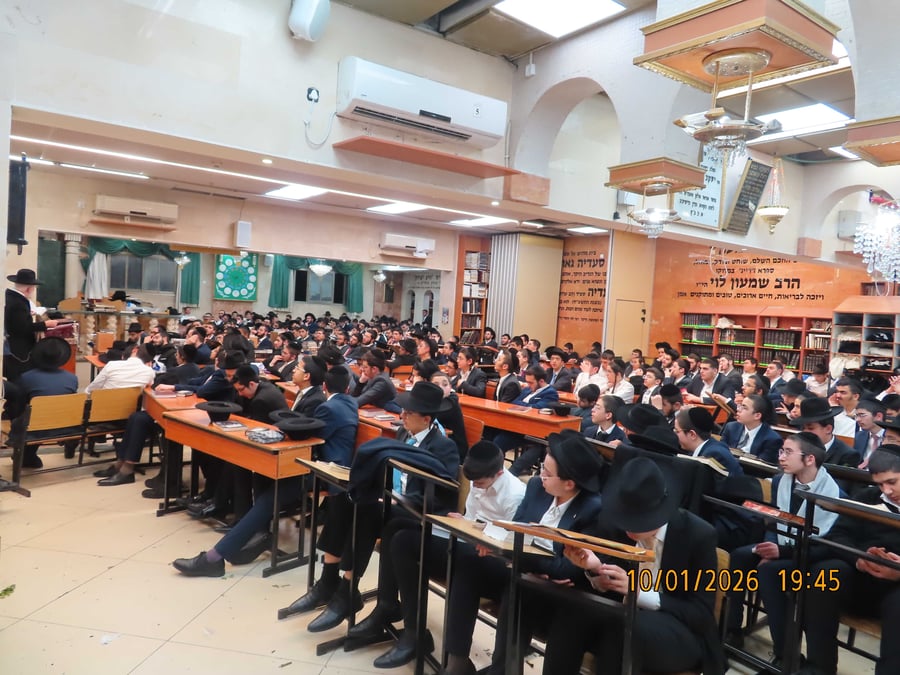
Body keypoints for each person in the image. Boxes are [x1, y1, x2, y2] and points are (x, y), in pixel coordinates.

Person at [348, 441, 526, 669]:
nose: (476, 488)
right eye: (473, 483)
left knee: (408, 542)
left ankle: (428, 643)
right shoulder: (478, 479)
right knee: (395, 528)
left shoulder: (514, 495)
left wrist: (480, 532)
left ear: (499, 473)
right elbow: (471, 517)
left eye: (480, 484)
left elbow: (511, 543)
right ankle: (396, 613)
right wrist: (463, 522)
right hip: (467, 542)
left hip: (489, 558)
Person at [541, 457, 725, 675]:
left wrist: (639, 592)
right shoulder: (619, 526)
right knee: (573, 610)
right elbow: (613, 583)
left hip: (679, 630)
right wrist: (595, 568)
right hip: (625, 618)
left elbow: (700, 613)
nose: (628, 529)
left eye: (636, 522)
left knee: (623, 627)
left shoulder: (698, 536)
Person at [441, 430, 605, 675]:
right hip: (524, 569)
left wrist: (526, 561)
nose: (540, 475)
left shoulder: (591, 509)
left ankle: (502, 670)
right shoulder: (538, 487)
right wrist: (495, 543)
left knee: (520, 588)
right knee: (470, 563)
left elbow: (567, 569)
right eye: (542, 468)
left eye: (547, 473)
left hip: (555, 589)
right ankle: (457, 661)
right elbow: (515, 529)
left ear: (569, 483)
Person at [304, 381, 458, 634]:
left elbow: (444, 494)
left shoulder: (444, 446)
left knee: (367, 510)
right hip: (392, 501)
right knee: (344, 498)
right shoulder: (403, 435)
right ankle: (328, 579)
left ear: (426, 419)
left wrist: (397, 500)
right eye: (403, 410)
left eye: (409, 413)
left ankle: (347, 589)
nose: (402, 416)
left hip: (416, 513)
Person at [174, 365, 358, 577]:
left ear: (324, 386)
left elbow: (312, 439)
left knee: (268, 496)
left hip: (325, 474)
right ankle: (257, 535)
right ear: (347, 389)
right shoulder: (350, 404)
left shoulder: (329, 408)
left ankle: (215, 558)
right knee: (263, 475)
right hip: (330, 468)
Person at [725, 433, 841, 671]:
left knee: (770, 572)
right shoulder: (781, 481)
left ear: (809, 459)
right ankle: (732, 629)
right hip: (782, 544)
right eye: (781, 451)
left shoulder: (834, 495)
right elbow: (774, 520)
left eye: (788, 452)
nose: (781, 457)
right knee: (739, 555)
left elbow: (826, 546)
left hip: (809, 556)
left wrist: (781, 552)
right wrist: (771, 547)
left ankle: (786, 653)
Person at [801, 443, 900, 675]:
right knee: (826, 573)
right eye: (880, 484)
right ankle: (818, 667)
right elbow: (838, 535)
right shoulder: (868, 497)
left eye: (892, 482)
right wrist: (861, 558)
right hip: (861, 579)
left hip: (895, 590)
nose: (887, 491)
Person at [12, 337, 80, 467]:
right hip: (66, 426)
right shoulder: (72, 379)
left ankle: (26, 455)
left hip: (36, 428)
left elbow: (19, 404)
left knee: (22, 414)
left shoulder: (27, 377)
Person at [4, 268, 61, 381]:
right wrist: (45, 324)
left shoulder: (11, 296)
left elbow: (17, 320)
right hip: (19, 350)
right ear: (29, 289)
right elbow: (22, 328)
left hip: (13, 345)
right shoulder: (19, 303)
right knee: (20, 378)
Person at [789, 397, 861, 467]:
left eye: (810, 428)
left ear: (828, 429)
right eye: (803, 428)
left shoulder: (847, 455)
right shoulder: (798, 448)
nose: (805, 432)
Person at [720, 394, 783, 464]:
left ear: (757, 416)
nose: (738, 409)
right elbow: (720, 451)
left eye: (744, 408)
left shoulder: (772, 439)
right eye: (740, 406)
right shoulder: (731, 427)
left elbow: (761, 466)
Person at [85, 343, 155, 393]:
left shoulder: (112, 365)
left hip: (104, 405)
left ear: (135, 350)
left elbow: (92, 389)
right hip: (130, 408)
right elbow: (150, 384)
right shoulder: (150, 372)